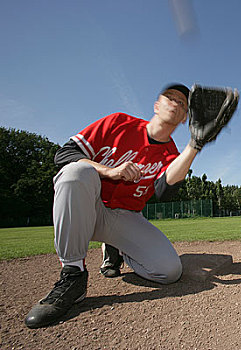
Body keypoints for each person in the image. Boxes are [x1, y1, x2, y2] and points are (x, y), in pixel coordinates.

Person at [25, 83, 214, 328]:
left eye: (183, 103)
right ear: (156, 105)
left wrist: (194, 145)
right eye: (170, 98)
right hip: (86, 208)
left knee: (168, 271)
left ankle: (118, 248)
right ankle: (73, 275)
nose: (176, 103)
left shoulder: (171, 153)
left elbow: (164, 191)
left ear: (185, 118)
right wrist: (109, 172)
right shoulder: (118, 122)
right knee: (76, 172)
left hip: (124, 217)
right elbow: (64, 154)